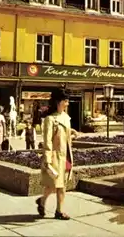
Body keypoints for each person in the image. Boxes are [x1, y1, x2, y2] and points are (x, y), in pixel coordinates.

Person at [36, 88, 77, 220]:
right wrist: (47, 160)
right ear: (59, 102)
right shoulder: (50, 119)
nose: (68, 104)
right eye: (66, 101)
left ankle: (57, 210)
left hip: (66, 156)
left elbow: (64, 133)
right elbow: (47, 141)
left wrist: (72, 133)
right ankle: (44, 203)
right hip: (55, 156)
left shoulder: (66, 117)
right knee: (53, 185)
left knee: (61, 185)